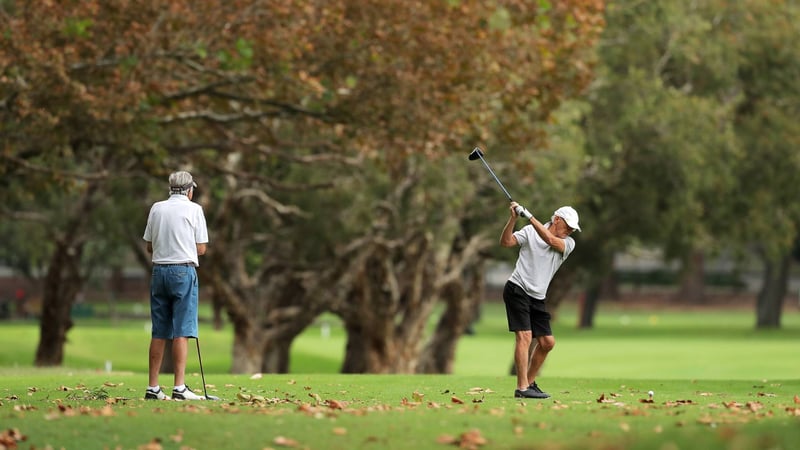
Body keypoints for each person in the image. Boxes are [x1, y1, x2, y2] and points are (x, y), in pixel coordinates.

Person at [500, 202, 580, 399]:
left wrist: (530, 216)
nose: (569, 231)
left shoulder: (568, 243)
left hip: (537, 297)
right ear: (556, 219)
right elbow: (506, 242)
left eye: (572, 228)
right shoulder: (529, 231)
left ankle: (529, 381)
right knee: (525, 337)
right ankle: (522, 387)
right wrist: (513, 220)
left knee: (547, 343)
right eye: (567, 226)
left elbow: (551, 240)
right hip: (517, 289)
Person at [142, 171, 209, 400]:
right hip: (183, 270)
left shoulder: (156, 208)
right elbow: (201, 249)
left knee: (159, 330)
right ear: (189, 190)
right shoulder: (195, 209)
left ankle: (153, 387)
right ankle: (179, 387)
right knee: (182, 330)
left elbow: (149, 246)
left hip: (159, 271)